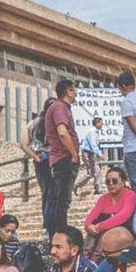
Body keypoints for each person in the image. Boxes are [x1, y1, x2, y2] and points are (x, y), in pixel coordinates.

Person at [44, 79, 81, 238]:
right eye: (74, 90)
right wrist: (74, 154)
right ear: (68, 91)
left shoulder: (60, 107)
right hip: (63, 158)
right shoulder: (59, 107)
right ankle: (60, 232)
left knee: (60, 198)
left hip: (61, 157)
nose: (76, 93)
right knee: (62, 199)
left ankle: (57, 232)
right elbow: (62, 132)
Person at [82, 167, 136, 263]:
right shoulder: (104, 198)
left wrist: (100, 227)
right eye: (108, 182)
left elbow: (123, 215)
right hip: (100, 231)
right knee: (91, 234)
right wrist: (89, 226)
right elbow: (92, 216)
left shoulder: (130, 194)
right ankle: (85, 260)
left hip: (122, 231)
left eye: (115, 181)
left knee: (106, 233)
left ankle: (95, 262)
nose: (111, 184)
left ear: (123, 181)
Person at [20, 98, 56, 220]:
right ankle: (52, 221)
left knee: (46, 192)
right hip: (54, 159)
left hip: (40, 160)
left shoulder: (33, 123)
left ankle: (47, 221)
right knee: (54, 192)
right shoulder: (56, 122)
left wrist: (34, 156)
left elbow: (23, 144)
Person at [75, 116, 104, 196]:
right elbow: (93, 145)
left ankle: (98, 189)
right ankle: (77, 184)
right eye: (101, 123)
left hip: (90, 153)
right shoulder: (92, 132)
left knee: (96, 170)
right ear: (97, 123)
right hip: (87, 153)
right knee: (91, 172)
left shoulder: (96, 132)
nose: (102, 125)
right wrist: (100, 154)